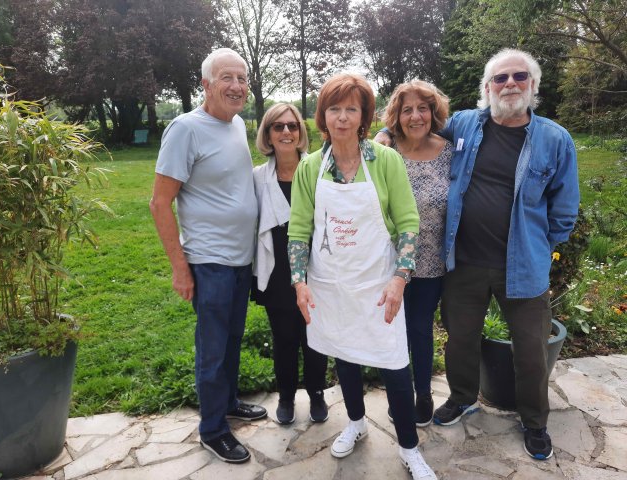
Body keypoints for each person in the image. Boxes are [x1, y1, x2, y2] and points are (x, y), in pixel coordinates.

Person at [376, 48, 580, 461]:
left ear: (533, 86)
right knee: (460, 339)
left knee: (530, 347)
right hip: (465, 261)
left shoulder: (554, 139)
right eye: (500, 79)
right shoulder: (466, 124)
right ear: (486, 88)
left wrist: (541, 246)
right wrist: (382, 137)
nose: (509, 85)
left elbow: (564, 208)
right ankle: (463, 396)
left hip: (521, 266)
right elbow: (416, 129)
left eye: (519, 77)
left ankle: (535, 421)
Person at [289, 73, 437, 480]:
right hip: (330, 282)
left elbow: (408, 222)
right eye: (334, 108)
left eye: (350, 108)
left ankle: (409, 447)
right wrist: (299, 281)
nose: (341, 117)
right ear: (323, 116)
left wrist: (400, 277)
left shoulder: (385, 161)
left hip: (378, 283)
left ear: (364, 116)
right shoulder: (311, 167)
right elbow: (299, 228)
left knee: (394, 362)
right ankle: (355, 422)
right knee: (345, 354)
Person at [149, 47, 267, 465]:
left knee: (232, 341)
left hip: (240, 260)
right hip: (209, 261)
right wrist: (180, 268)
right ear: (206, 84)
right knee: (213, 349)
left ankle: (228, 401)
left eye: (242, 78)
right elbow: (160, 203)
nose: (237, 86)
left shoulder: (235, 125)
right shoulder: (186, 129)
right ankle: (213, 429)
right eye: (227, 78)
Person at [251, 103, 329, 425]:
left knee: (314, 338)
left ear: (300, 133)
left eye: (292, 126)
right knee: (283, 338)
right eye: (278, 126)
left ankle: (317, 394)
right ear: (267, 134)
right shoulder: (257, 178)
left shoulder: (317, 169)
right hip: (277, 269)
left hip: (316, 269)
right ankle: (285, 397)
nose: (286, 132)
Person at [381, 80, 451, 427]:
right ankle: (397, 392)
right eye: (407, 109)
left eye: (422, 108)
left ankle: (423, 393)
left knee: (420, 330)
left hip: (431, 262)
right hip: (387, 261)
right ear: (397, 115)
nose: (415, 116)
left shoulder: (450, 151)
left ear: (433, 112)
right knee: (390, 329)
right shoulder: (384, 150)